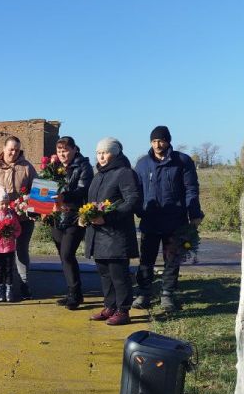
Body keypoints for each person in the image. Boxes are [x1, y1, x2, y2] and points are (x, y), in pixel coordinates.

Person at [133, 125, 204, 313]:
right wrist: (139, 210)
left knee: (172, 260)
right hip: (150, 220)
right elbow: (136, 191)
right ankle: (144, 293)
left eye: (161, 141)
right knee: (146, 259)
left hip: (175, 219)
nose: (157, 145)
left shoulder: (182, 161)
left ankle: (167, 294)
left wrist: (194, 214)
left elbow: (191, 189)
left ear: (168, 141)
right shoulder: (142, 164)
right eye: (154, 141)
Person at [81, 137, 141, 326]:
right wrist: (85, 215)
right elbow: (92, 202)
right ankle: (110, 306)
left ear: (114, 153)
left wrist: (108, 217)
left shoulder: (124, 173)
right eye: (98, 153)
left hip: (116, 235)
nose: (101, 156)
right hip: (98, 235)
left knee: (119, 275)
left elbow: (132, 200)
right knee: (105, 274)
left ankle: (123, 310)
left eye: (105, 152)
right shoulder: (98, 175)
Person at [0, 136, 37, 300]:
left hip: (22, 219)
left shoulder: (27, 167)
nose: (14, 153)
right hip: (1, 220)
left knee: (21, 251)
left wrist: (33, 208)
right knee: (3, 255)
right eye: (11, 149)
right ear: (4, 149)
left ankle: (24, 284)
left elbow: (37, 189)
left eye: (17, 150)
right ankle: (2, 286)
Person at [51, 136, 94, 309]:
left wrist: (64, 196)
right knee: (64, 256)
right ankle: (72, 293)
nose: (62, 154)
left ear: (75, 149)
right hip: (56, 217)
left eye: (66, 150)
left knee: (67, 254)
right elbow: (45, 186)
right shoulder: (55, 167)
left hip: (75, 217)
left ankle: (75, 294)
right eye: (59, 151)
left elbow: (83, 190)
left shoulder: (83, 166)